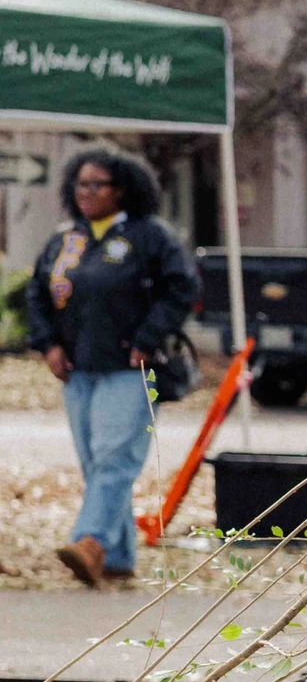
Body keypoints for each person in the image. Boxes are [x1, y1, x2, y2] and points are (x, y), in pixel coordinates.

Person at [23, 149, 198, 588]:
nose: (87, 192)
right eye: (81, 184)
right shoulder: (66, 239)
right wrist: (47, 345)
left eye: (97, 184)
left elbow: (182, 289)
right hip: (78, 369)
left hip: (130, 368)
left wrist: (147, 338)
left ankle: (89, 541)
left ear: (121, 189)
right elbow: (37, 296)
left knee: (115, 460)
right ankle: (117, 558)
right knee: (94, 464)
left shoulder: (149, 236)